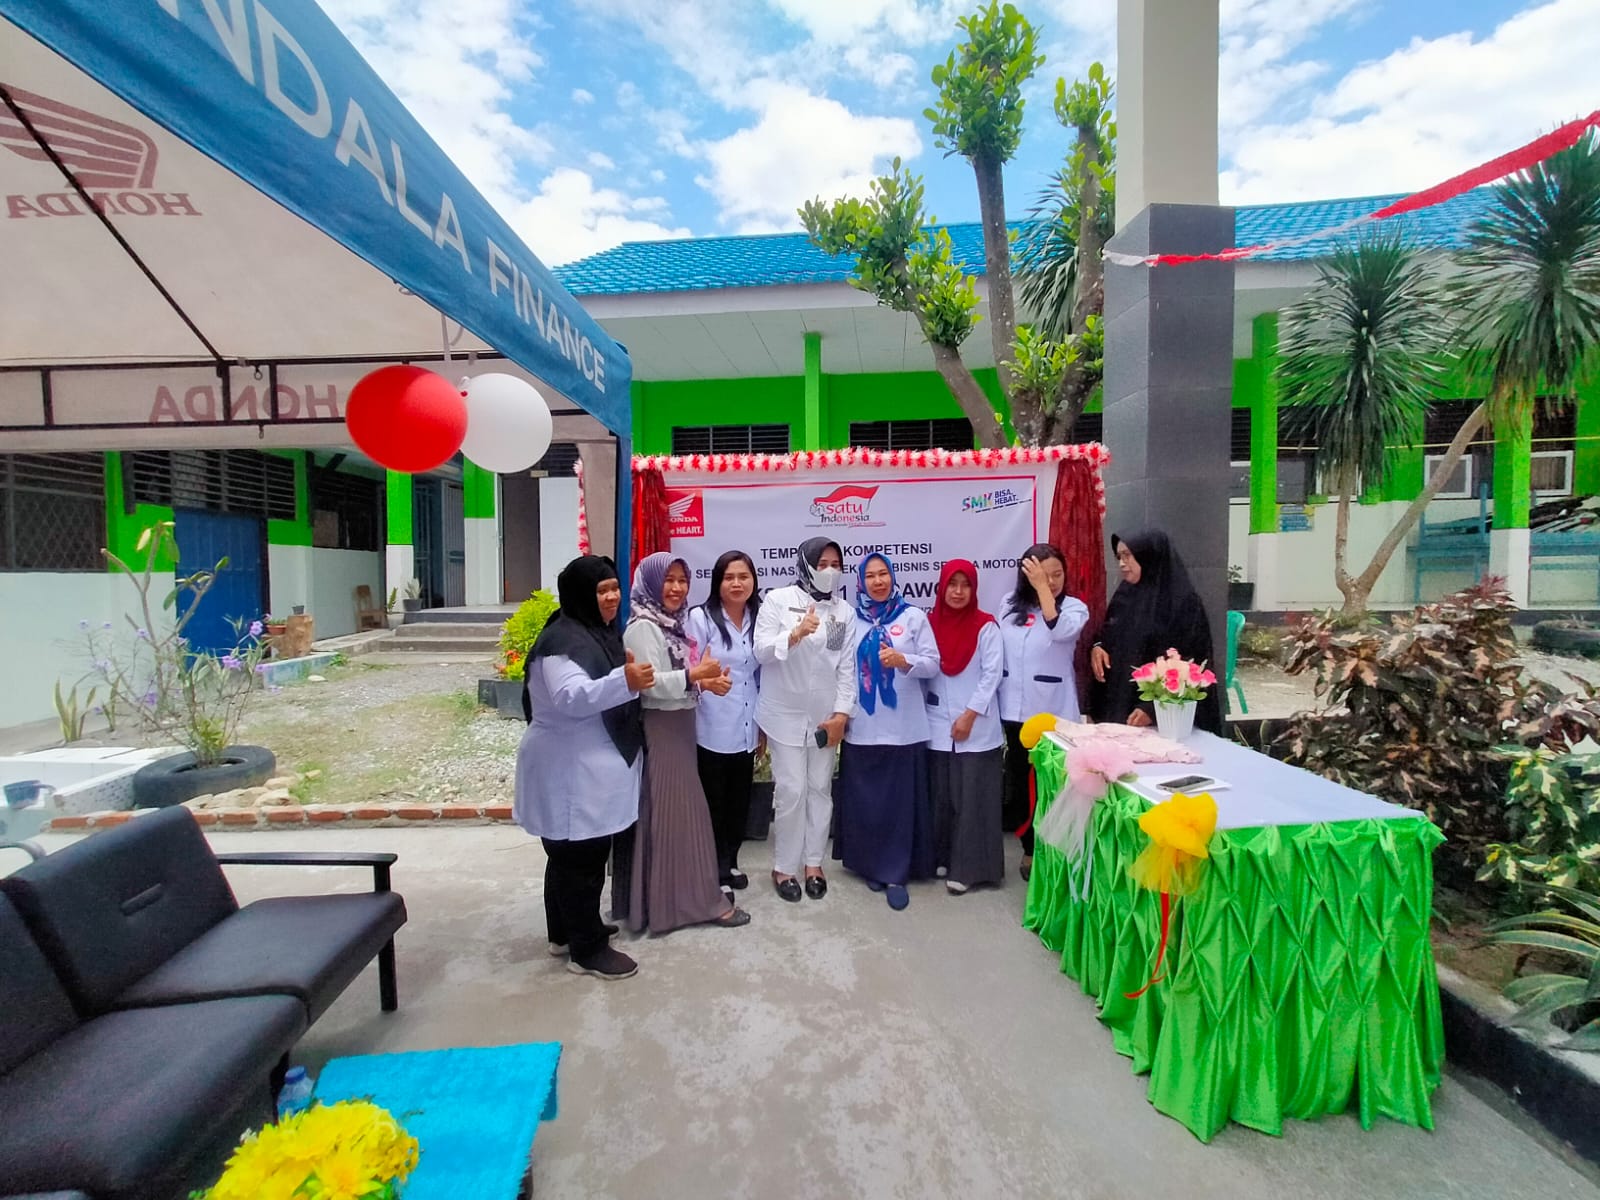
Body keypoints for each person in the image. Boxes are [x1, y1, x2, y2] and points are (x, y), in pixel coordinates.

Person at [514, 555, 653, 981]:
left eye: (614, 588)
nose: (611, 597)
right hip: (569, 768)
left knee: (568, 856)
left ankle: (566, 932)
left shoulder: (593, 632)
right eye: (601, 590)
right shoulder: (562, 644)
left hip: (583, 765)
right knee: (580, 860)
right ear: (580, 595)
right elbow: (571, 698)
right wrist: (625, 681)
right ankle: (587, 950)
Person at [617, 553, 751, 933]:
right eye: (668, 580)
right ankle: (692, 903)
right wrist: (695, 676)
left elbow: (677, 678)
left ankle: (673, 904)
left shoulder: (670, 623)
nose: (676, 588)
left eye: (682, 580)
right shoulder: (644, 626)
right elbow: (649, 686)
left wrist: (703, 682)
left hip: (679, 726)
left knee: (678, 818)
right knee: (678, 817)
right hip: (663, 729)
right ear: (650, 583)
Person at [835, 553, 940, 910]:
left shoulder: (913, 617)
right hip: (862, 728)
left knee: (898, 806)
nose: (878, 582)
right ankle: (871, 866)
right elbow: (840, 670)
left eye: (884, 574)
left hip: (903, 729)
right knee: (867, 803)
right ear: (860, 582)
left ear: (893, 577)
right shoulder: (851, 620)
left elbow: (933, 664)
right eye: (871, 576)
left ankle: (896, 873)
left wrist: (903, 660)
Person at [754, 537, 856, 903]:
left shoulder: (843, 612)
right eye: (822, 563)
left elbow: (845, 668)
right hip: (783, 715)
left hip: (824, 718)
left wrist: (841, 714)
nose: (830, 570)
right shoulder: (778, 600)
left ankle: (814, 863)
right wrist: (794, 634)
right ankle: (784, 866)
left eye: (835, 564)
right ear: (806, 564)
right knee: (792, 791)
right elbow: (761, 651)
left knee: (819, 789)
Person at [998, 543, 1091, 882]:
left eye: (1057, 574)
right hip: (1014, 709)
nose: (1051, 581)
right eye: (1041, 575)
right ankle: (1030, 848)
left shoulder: (1074, 608)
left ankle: (1059, 849)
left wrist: (1043, 590)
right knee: (1021, 783)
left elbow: (1061, 630)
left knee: (1054, 782)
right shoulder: (1009, 605)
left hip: (1053, 712)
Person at [1090, 530, 1224, 734]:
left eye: (1128, 555)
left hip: (1165, 714)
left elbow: (1191, 659)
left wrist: (1152, 708)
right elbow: (1109, 631)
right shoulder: (1125, 593)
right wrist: (1098, 646)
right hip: (1120, 702)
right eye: (1119, 557)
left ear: (1147, 555)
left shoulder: (1182, 602)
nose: (1122, 564)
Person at [685, 550, 764, 895]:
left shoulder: (759, 617)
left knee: (739, 801)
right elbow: (689, 668)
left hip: (747, 726)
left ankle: (731, 860)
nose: (736, 583)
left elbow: (761, 674)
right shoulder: (700, 619)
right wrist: (705, 681)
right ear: (717, 582)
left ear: (753, 581)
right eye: (729, 577)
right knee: (714, 803)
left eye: (743, 577)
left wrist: (763, 725)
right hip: (712, 727)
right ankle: (714, 871)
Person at [925, 559, 1005, 893]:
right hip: (937, 726)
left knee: (972, 799)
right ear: (941, 587)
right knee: (942, 797)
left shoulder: (986, 626)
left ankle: (970, 870)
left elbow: (992, 675)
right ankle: (942, 856)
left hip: (977, 728)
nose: (958, 592)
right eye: (952, 584)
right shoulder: (929, 623)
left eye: (965, 585)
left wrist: (970, 715)